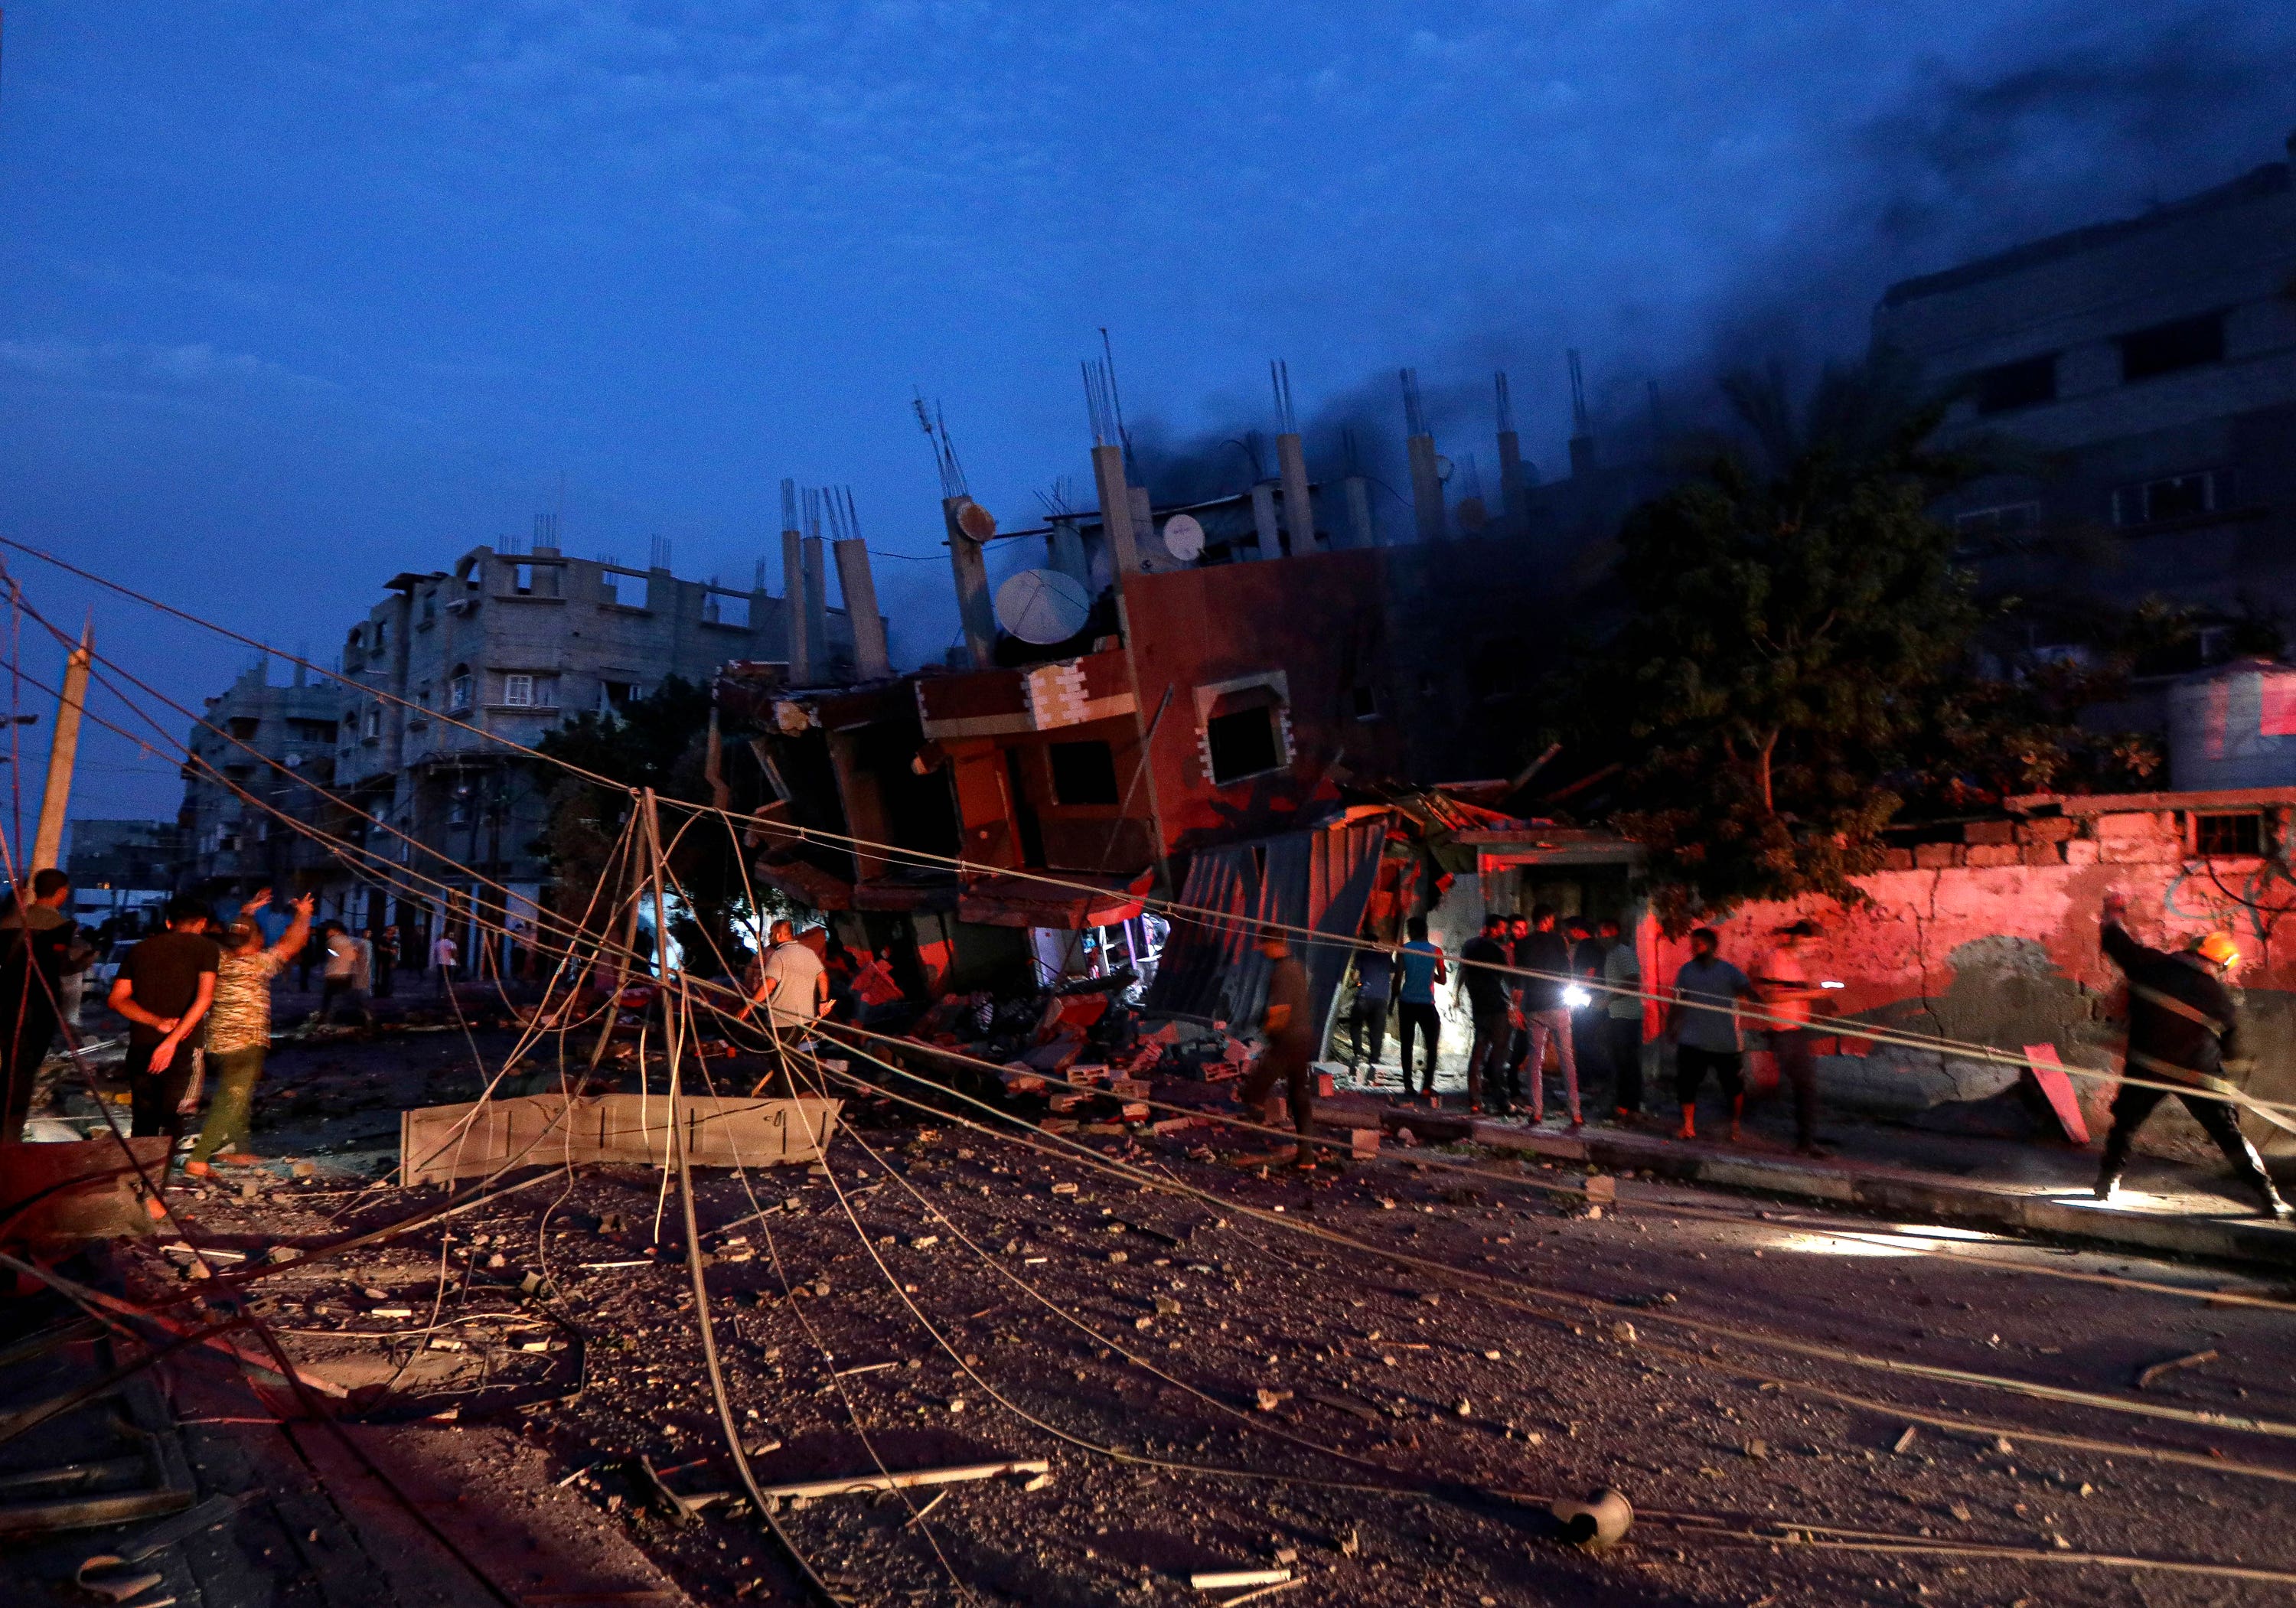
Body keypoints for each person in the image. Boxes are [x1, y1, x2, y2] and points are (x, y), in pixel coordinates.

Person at [2093, 892, 2290, 1218]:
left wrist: (2112, 912)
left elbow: (2115, 940)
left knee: (2125, 1126)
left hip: (2147, 1069)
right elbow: (2230, 1046)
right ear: (2219, 964)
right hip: (2199, 1076)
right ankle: (2269, 1198)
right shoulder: (2218, 998)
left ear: (2194, 949)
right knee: (2229, 1136)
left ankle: (2106, 1185)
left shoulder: (2149, 965)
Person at [183, 889, 313, 1178]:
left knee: (236, 1096)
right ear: (258, 941)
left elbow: (240, 934)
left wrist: (246, 913)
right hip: (245, 1042)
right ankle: (199, 1157)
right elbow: (292, 943)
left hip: (216, 1041)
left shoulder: (218, 960)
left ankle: (239, 1149)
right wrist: (303, 915)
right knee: (232, 1099)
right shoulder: (257, 965)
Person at [109, 895, 220, 1141]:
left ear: (169, 923)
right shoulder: (206, 948)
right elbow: (204, 999)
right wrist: (171, 1042)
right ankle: (164, 1174)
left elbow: (117, 999)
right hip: (184, 1047)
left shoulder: (140, 950)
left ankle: (140, 1173)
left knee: (144, 1118)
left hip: (142, 1045)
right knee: (177, 1117)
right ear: (202, 923)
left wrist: (157, 1023)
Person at [0, 869, 90, 1142]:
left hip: (5, 1005)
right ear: (62, 892)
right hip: (37, 1009)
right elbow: (69, 973)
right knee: (23, 1073)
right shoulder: (62, 927)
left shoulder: (7, 921)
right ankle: (9, 1137)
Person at [1668, 927, 1758, 1143]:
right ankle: (1688, 1126)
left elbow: (1748, 991)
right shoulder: (1686, 971)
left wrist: (1763, 999)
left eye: (1699, 944)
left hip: (1725, 1042)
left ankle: (1734, 1124)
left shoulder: (1729, 971)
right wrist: (1671, 1026)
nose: (1695, 949)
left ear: (1712, 947)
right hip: (1692, 1039)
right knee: (1686, 1084)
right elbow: (1678, 1001)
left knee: (1733, 1087)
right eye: (1693, 945)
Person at [1751, 918, 1828, 1156]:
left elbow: (1792, 993)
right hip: (1783, 1032)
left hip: (1797, 1030)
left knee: (1805, 1086)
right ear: (1798, 937)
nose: (1813, 948)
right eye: (1812, 942)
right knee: (1803, 1085)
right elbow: (1770, 997)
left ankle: (1806, 1141)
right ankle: (1804, 1142)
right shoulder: (1776, 960)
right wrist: (1813, 994)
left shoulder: (1795, 964)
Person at [1238, 924, 1316, 1156]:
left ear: (1272, 944)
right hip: (1303, 1038)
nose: (1263, 951)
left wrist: (1263, 1036)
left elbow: (1280, 1011)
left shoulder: (1282, 971)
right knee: (1299, 1094)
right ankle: (1306, 1154)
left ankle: (1252, 1125)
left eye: (1264, 946)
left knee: (1255, 1091)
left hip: (1288, 1040)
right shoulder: (1298, 967)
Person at [1516, 905, 1580, 1127]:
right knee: (1567, 1059)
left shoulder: (1523, 944)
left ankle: (1536, 1111)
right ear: (1547, 919)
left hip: (1534, 1006)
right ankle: (1576, 1113)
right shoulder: (1557, 941)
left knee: (1535, 1060)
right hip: (1558, 1004)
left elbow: (1519, 980)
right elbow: (1567, 971)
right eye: (1552, 919)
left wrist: (1516, 1007)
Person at [1457, 913, 1514, 1115]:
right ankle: (1501, 1101)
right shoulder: (1496, 950)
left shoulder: (1470, 947)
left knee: (1478, 1053)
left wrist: (1457, 995)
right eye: (1501, 928)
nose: (1504, 932)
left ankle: (1475, 1100)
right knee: (1499, 1055)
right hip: (1496, 1008)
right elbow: (1505, 976)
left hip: (1479, 1007)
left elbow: (1464, 971)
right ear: (1490, 928)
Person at [1597, 918, 1645, 1122]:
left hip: (1627, 1016)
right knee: (1620, 1062)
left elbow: (1633, 981)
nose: (1599, 937)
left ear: (1612, 931)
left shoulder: (1623, 953)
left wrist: (1608, 1000)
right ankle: (1624, 1107)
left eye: (1601, 933)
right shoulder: (1611, 955)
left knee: (1627, 1063)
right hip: (1618, 1016)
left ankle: (1631, 1108)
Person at [1394, 916, 1446, 1101]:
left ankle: (1408, 1085)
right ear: (1425, 930)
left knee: (1406, 1045)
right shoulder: (1436, 951)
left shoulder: (1404, 950)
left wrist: (1393, 1001)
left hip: (1407, 1002)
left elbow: (1398, 978)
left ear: (1412, 932)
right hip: (1426, 1003)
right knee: (1431, 1046)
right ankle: (1426, 1086)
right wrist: (1431, 977)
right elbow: (1443, 979)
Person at [1348, 944, 1394, 1078]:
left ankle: (1358, 1055)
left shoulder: (1361, 953)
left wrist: (1359, 983)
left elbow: (1356, 977)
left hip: (1364, 997)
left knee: (1356, 1025)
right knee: (1377, 1031)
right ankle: (1374, 1061)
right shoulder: (1386, 955)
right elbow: (1391, 975)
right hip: (1382, 999)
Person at [319, 921, 374, 1029]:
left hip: (334, 974)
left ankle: (325, 1018)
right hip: (349, 973)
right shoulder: (352, 940)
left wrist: (337, 957)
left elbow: (332, 954)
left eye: (329, 931)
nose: (327, 933)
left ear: (335, 930)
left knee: (329, 997)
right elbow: (355, 956)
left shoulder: (332, 941)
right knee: (351, 996)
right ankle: (366, 1015)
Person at [372, 922, 400, 998]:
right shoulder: (382, 939)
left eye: (393, 930)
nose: (392, 931)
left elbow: (396, 951)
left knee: (389, 977)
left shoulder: (395, 940)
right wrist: (389, 950)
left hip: (390, 961)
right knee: (380, 977)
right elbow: (379, 948)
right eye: (390, 930)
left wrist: (395, 961)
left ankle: (387, 992)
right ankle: (379, 992)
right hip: (381, 961)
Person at [431, 930, 459, 995]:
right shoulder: (449, 943)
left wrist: (436, 961)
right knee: (448, 978)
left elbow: (435, 954)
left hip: (439, 963)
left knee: (440, 978)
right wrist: (456, 961)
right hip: (447, 963)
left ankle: (439, 992)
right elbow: (454, 953)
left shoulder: (437, 943)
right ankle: (448, 992)